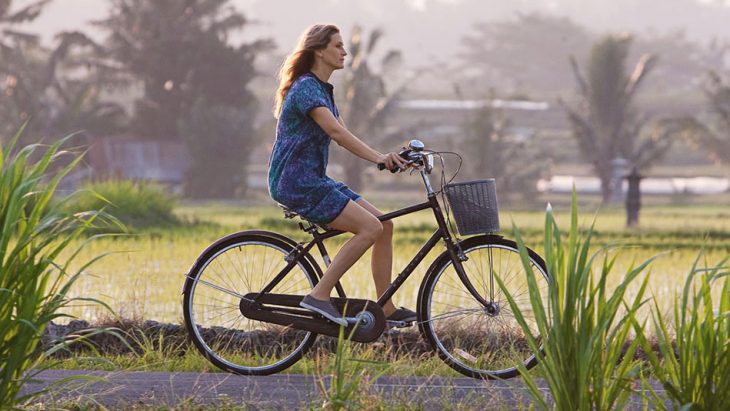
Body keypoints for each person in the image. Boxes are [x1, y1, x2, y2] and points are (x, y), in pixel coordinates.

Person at [268, 24, 416, 327]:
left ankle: (384, 308)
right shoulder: (306, 87)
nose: (344, 52)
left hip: (314, 180)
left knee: (384, 225)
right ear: (319, 50)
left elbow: (344, 132)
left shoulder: (322, 90)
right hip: (296, 182)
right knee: (370, 228)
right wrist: (378, 157)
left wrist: (393, 157)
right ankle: (319, 296)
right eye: (337, 46)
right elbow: (335, 132)